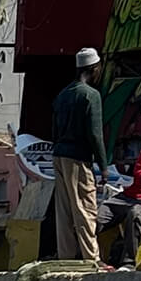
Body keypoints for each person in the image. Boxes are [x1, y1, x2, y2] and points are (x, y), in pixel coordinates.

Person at [52, 47, 109, 262]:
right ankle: (91, 258)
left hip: (59, 155)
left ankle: (65, 258)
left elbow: (54, 131)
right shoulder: (90, 96)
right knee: (85, 207)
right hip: (77, 158)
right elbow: (95, 135)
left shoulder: (62, 95)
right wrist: (103, 167)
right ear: (94, 68)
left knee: (64, 210)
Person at [97, 98, 141, 271]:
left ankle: (128, 263)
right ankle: (88, 257)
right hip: (130, 195)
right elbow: (139, 171)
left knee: (135, 215)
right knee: (99, 214)